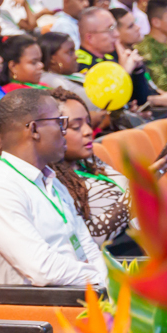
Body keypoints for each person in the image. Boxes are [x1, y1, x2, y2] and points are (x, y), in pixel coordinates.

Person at [0, 89, 108, 288]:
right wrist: (101, 281)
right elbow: (44, 270)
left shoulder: (49, 178)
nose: (64, 131)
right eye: (60, 122)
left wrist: (111, 284)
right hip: (51, 307)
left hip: (87, 291)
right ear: (34, 130)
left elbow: (87, 247)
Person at [47, 86, 130, 246]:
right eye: (76, 127)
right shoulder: (53, 181)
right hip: (116, 258)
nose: (88, 131)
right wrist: (135, 198)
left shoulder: (89, 161)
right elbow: (87, 240)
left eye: (88, 123)